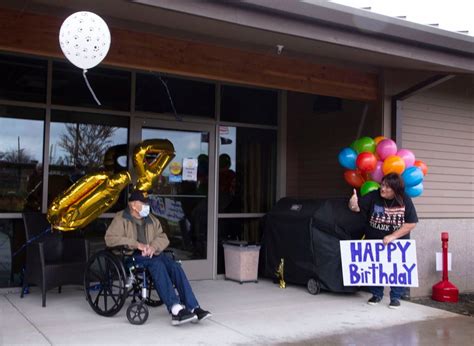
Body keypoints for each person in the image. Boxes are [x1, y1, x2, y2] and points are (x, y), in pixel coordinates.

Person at [104, 190, 212, 326]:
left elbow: (162, 237)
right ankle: (175, 308)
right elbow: (110, 239)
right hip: (131, 255)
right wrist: (138, 245)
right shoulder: (121, 218)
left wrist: (153, 247)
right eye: (143, 203)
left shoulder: (151, 219)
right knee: (157, 265)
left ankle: (193, 307)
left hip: (152, 253)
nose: (146, 206)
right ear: (133, 205)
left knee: (175, 266)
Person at [348, 172, 418, 309]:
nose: (383, 189)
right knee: (375, 268)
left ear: (396, 190)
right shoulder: (374, 195)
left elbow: (411, 223)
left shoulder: (405, 199)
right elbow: (356, 208)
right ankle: (376, 294)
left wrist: (393, 236)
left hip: (397, 243)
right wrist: (353, 204)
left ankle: (396, 297)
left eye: (387, 187)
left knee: (397, 269)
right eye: (382, 184)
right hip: (374, 241)